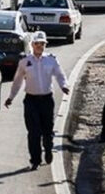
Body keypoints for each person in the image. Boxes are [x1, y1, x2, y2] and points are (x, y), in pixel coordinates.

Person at [5, 31, 69, 171]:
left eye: (42, 44)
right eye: (37, 44)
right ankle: (35, 159)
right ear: (32, 45)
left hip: (46, 99)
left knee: (47, 130)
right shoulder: (24, 62)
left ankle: (48, 148)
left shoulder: (51, 60)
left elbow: (60, 74)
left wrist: (64, 86)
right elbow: (17, 81)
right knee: (33, 132)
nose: (40, 46)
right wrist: (11, 97)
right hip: (31, 100)